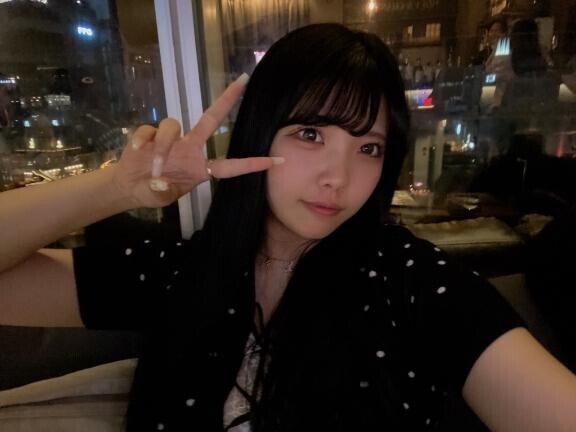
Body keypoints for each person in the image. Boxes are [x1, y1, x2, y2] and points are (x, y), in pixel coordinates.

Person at [1, 23, 576, 431]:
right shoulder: (184, 273)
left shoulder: (413, 284)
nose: (338, 177)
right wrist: (117, 188)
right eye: (310, 134)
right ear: (259, 131)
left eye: (369, 148)